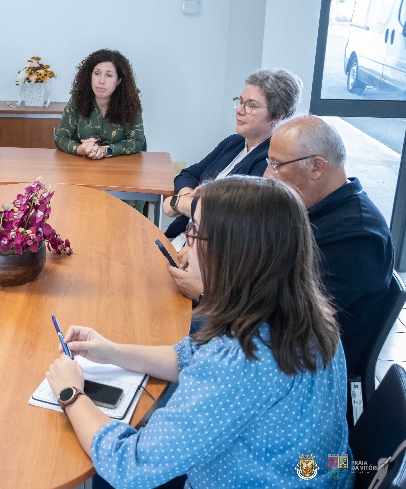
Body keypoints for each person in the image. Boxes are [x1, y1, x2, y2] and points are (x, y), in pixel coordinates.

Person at [46, 175, 352, 488]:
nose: (186, 245)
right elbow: (191, 357)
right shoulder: (306, 314)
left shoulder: (240, 363)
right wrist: (110, 351)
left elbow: (130, 466)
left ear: (232, 253)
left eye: (193, 233)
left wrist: (71, 394)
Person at [169, 115, 394, 371]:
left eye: (277, 165)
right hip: (264, 332)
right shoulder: (308, 205)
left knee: (171, 329)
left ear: (317, 167)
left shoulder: (358, 239)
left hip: (294, 364)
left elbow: (292, 322)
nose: (268, 174)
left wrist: (205, 291)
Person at [163, 68, 303, 239]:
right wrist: (186, 197)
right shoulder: (234, 142)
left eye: (252, 105)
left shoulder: (271, 161)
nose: (240, 110)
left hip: (212, 249)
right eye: (241, 101)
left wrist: (177, 202)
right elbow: (188, 174)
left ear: (278, 115)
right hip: (183, 236)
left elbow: (230, 215)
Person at [54, 49, 146, 212]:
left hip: (121, 176)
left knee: (120, 219)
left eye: (109, 75)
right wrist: (79, 149)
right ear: (90, 75)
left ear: (118, 81)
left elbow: (137, 141)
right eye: (97, 73)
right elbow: (61, 137)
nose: (101, 81)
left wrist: (106, 150)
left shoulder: (129, 103)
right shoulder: (78, 100)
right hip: (82, 175)